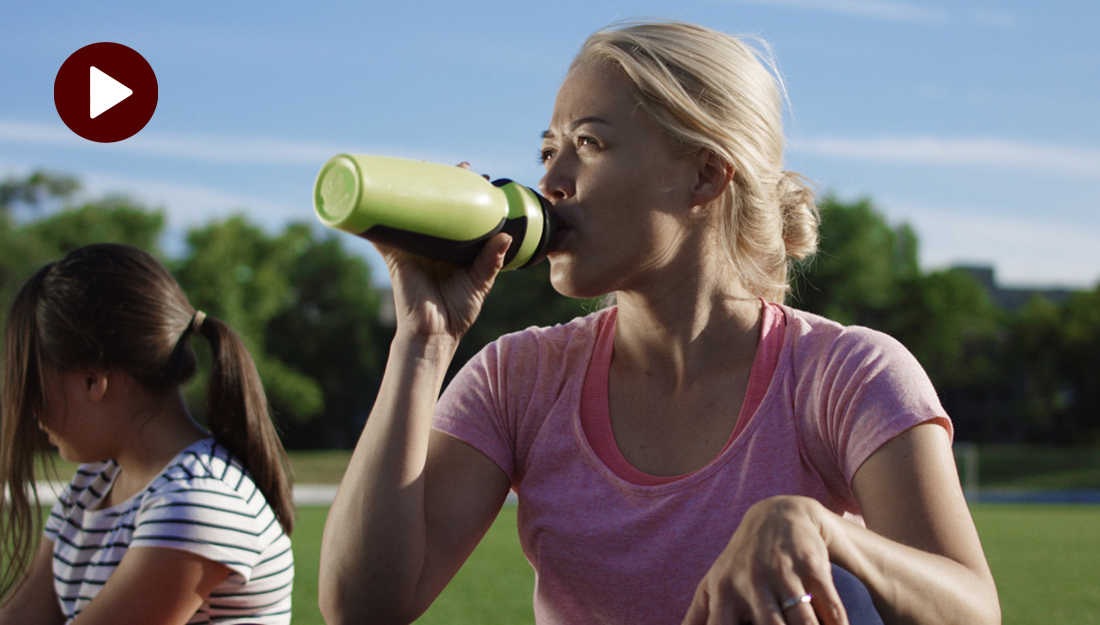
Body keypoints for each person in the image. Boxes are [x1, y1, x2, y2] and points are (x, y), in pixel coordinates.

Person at [318, 20, 1000, 625]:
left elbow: (972, 609)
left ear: (705, 175)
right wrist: (424, 339)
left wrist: (818, 528)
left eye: (589, 143)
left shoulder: (846, 374)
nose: (551, 179)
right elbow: (364, 606)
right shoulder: (518, 379)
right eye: (547, 149)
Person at [0, 243, 295, 625]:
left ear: (94, 380)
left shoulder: (199, 501)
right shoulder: (93, 484)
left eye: (31, 385)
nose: (31, 412)